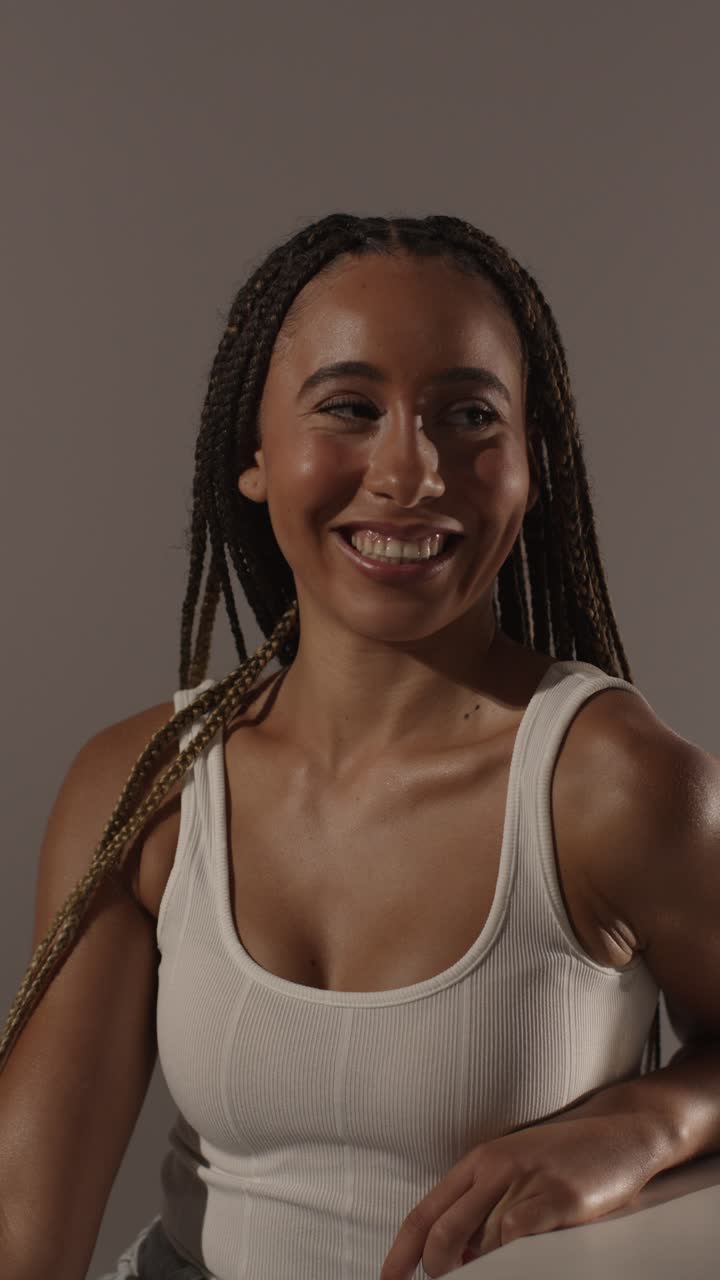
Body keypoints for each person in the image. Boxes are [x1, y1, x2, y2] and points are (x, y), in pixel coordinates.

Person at [1, 211, 716, 1280]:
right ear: (254, 455)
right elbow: (26, 1237)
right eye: (349, 407)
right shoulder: (148, 786)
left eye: (468, 415)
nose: (412, 471)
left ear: (532, 463)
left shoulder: (613, 783)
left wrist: (654, 1120)